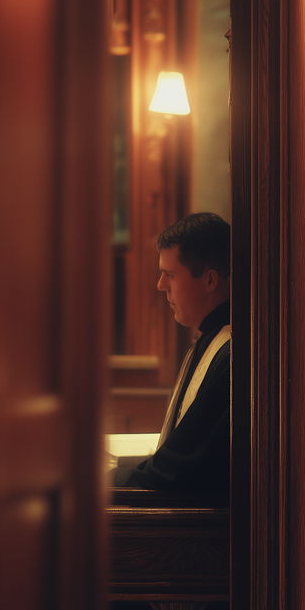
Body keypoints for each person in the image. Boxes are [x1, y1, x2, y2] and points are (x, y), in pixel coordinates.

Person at [112, 212, 230, 500]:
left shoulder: (229, 354)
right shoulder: (209, 339)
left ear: (210, 279)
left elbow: (173, 473)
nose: (160, 285)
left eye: (170, 274)